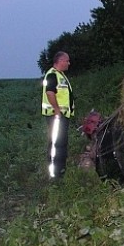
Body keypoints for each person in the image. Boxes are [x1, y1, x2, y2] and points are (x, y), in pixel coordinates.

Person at [41, 51, 75, 179]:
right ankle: (55, 174)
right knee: (56, 144)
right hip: (56, 116)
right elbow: (50, 93)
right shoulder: (52, 75)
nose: (69, 63)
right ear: (60, 61)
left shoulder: (60, 75)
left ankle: (60, 170)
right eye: (67, 60)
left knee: (60, 143)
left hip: (61, 116)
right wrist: (57, 110)